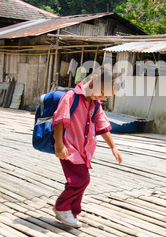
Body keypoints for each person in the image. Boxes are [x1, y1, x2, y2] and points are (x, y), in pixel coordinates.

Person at [52, 65, 123, 228]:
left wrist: (113, 146)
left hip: (83, 149)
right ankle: (62, 207)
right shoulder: (71, 97)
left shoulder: (95, 103)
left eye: (107, 95)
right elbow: (59, 121)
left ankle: (71, 210)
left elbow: (102, 125)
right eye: (103, 92)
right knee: (80, 179)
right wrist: (60, 145)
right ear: (95, 80)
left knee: (82, 180)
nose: (103, 97)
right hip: (68, 148)